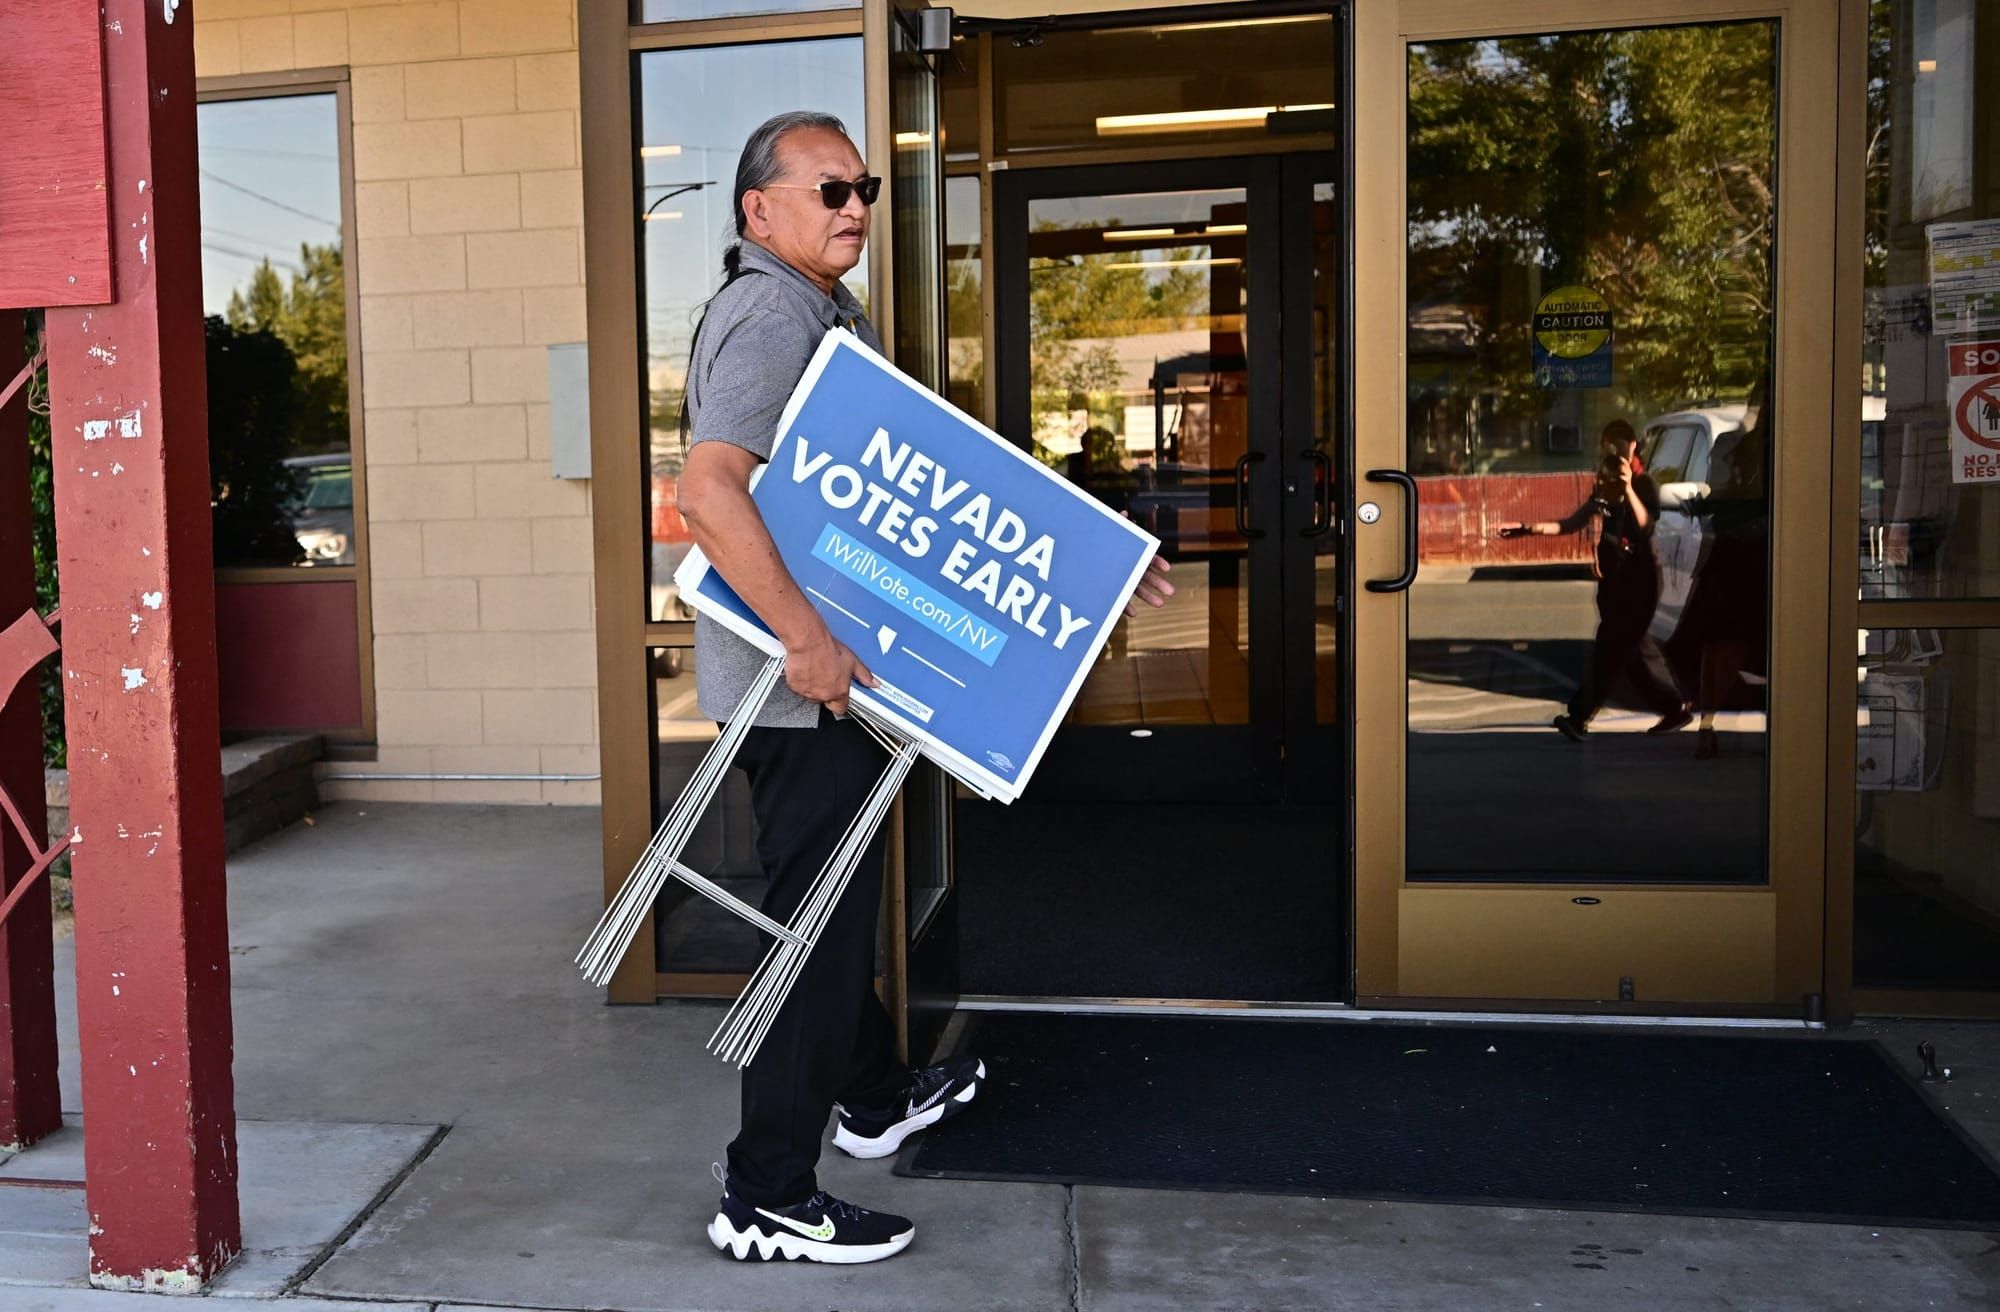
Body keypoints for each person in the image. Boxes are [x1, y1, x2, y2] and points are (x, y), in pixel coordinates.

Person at [676, 111, 1173, 1265]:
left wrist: (1089, 569)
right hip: (805, 695)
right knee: (819, 936)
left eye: (864, 190)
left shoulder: (814, 309)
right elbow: (708, 489)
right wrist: (802, 637)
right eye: (830, 189)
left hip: (829, 689)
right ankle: (765, 1193)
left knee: (834, 913)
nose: (855, 207)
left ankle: (873, 1093)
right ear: (760, 211)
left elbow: (933, 505)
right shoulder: (768, 312)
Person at [1497, 419, 1690, 741]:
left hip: (1641, 579)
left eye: (1621, 446)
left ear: (1633, 446)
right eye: (1610, 447)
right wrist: (1528, 528)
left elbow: (1645, 527)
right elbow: (1571, 523)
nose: (1617, 454)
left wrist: (1628, 489)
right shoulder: (1604, 487)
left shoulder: (1644, 484)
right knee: (1634, 654)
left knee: (1611, 649)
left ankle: (1579, 716)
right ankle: (1674, 709)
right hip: (1616, 579)